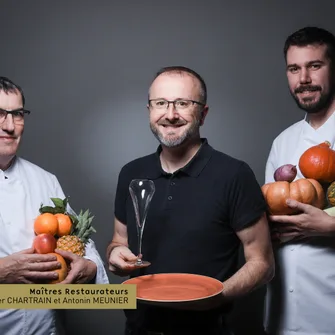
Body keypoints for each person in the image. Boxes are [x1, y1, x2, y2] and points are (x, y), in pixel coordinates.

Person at [107, 66, 275, 335]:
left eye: (183, 104)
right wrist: (115, 255)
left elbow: (262, 263)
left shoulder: (234, 174)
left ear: (203, 114)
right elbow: (118, 241)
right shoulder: (131, 173)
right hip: (139, 329)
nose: (170, 114)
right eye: (160, 103)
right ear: (149, 110)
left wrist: (215, 298)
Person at [0, 76, 109, 335]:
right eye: (0, 114)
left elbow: (78, 241)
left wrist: (90, 266)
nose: (10, 125)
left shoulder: (45, 180)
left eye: (17, 114)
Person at [264, 26, 335, 335]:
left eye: (314, 66)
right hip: (282, 317)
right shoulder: (283, 142)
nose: (303, 78)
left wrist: (330, 227)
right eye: (294, 68)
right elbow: (271, 217)